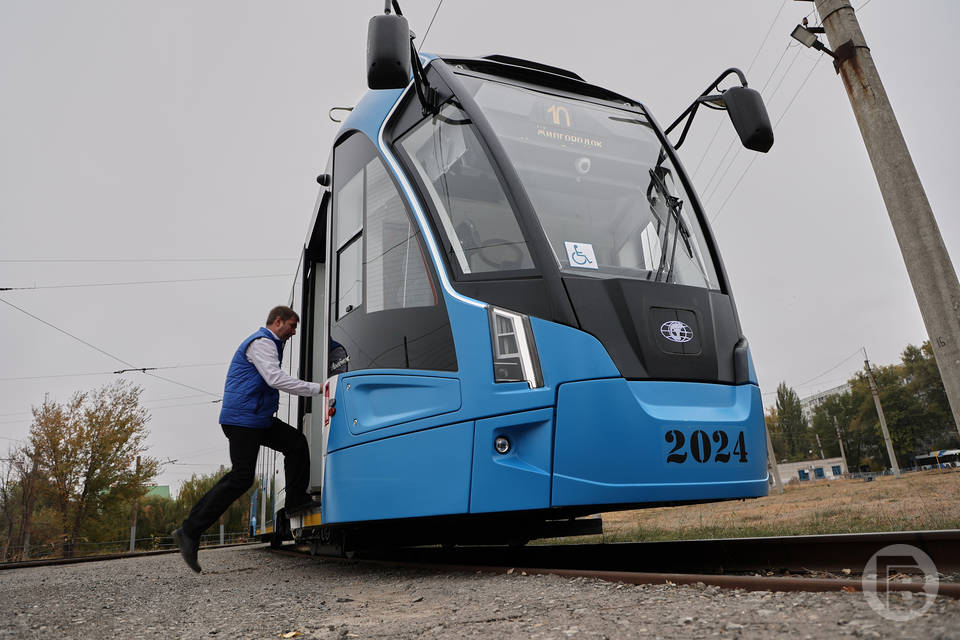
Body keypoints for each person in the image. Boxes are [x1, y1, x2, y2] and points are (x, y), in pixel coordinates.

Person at [173, 305, 321, 573]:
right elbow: (275, 379)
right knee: (241, 477)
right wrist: (317, 389)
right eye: (292, 326)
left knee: (295, 443)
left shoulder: (271, 343)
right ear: (278, 321)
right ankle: (189, 530)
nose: (294, 331)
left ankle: (295, 501)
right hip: (243, 420)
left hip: (256, 419)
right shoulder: (262, 343)